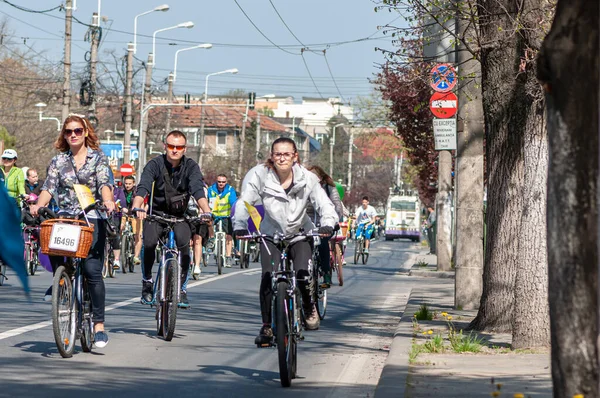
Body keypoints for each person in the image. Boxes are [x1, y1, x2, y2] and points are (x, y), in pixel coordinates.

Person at [233, 137, 338, 340]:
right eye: (278, 154)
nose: (282, 158)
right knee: (267, 276)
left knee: (303, 274)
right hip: (271, 234)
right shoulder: (261, 175)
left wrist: (328, 223)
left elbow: (324, 205)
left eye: (286, 154)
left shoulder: (308, 179)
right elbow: (244, 200)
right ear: (272, 157)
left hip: (300, 233)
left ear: (295, 156)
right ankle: (266, 327)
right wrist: (239, 226)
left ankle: (309, 307)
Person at [30, 114, 115, 348]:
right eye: (68, 132)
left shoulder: (97, 158)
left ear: (85, 132)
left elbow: (105, 184)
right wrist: (39, 204)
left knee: (91, 269)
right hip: (66, 216)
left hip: (91, 217)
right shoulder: (59, 161)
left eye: (78, 130)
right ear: (64, 135)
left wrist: (107, 201)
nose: (73, 135)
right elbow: (49, 187)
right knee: (53, 243)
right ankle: (62, 276)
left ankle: (98, 325)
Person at [131, 130, 211, 308]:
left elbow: (197, 188)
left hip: (179, 217)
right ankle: (147, 281)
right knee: (149, 243)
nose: (175, 150)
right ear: (165, 146)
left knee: (184, 247)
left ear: (185, 148)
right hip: (156, 215)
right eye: (171, 146)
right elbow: (143, 186)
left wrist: (206, 210)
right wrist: (137, 206)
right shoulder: (154, 164)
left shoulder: (191, 166)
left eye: (179, 147)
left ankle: (181, 289)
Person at [306, 165, 343, 288]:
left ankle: (326, 274)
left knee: (322, 244)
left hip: (326, 224)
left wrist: (333, 223)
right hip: (308, 223)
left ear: (320, 178)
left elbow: (337, 205)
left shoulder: (329, 188)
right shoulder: (303, 188)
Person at [207, 174, 238, 267]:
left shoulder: (230, 190)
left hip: (226, 216)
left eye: (223, 182)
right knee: (208, 222)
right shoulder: (211, 190)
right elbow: (207, 201)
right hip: (214, 215)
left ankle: (228, 257)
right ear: (217, 181)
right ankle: (212, 238)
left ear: (226, 182)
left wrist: (234, 211)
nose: (221, 184)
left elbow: (233, 202)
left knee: (229, 235)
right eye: (219, 182)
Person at [122, 175, 142, 265]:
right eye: (126, 183)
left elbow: (142, 203)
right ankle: (122, 244)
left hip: (135, 214)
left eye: (129, 184)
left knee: (137, 234)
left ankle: (136, 256)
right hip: (124, 214)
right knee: (120, 228)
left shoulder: (138, 192)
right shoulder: (121, 191)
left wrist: (140, 212)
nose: (127, 185)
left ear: (133, 183)